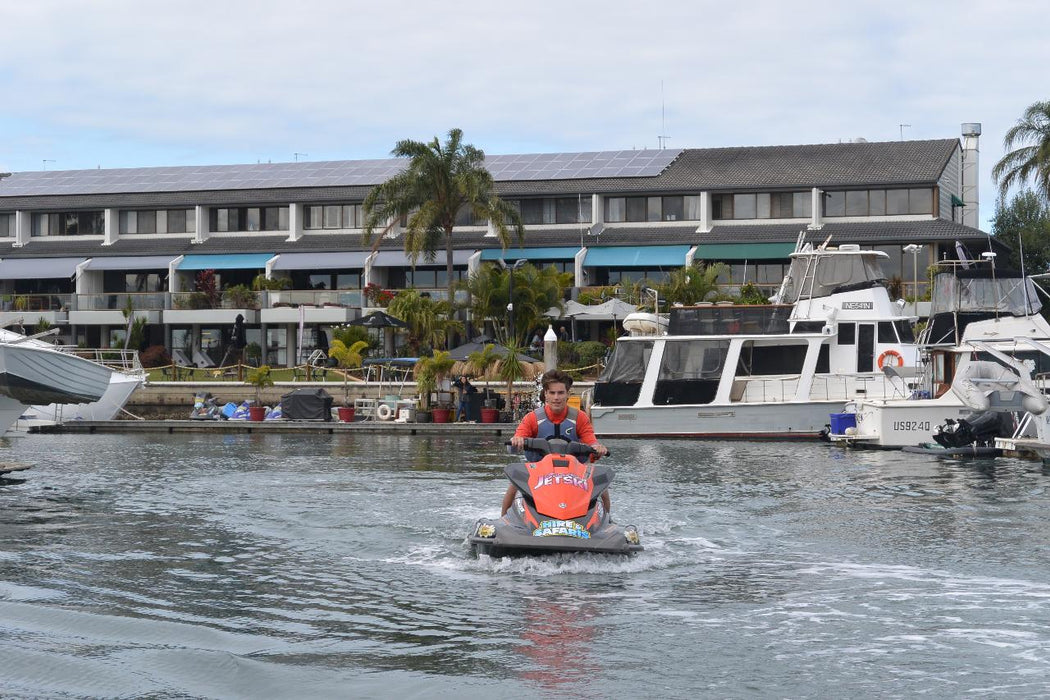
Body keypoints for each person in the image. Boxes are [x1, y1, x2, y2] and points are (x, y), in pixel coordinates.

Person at [503, 369, 610, 515]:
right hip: (539, 470)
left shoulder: (580, 418)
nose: (556, 398)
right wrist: (516, 441)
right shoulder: (532, 418)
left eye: (560, 393)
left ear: (567, 394)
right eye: (552, 393)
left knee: (602, 487)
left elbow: (591, 441)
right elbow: (513, 447)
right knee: (514, 484)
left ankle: (607, 519)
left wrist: (598, 449)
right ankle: (503, 519)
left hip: (575, 471)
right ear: (545, 394)